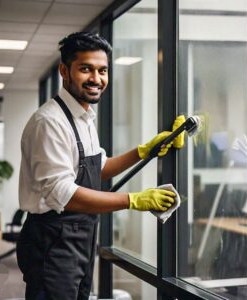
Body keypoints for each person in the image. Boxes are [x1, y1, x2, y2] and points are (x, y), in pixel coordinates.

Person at [16, 32, 185, 300]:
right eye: (86, 69)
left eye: (103, 70)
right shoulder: (49, 122)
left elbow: (98, 168)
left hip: (81, 236)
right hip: (53, 240)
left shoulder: (83, 117)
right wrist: (133, 200)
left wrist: (144, 151)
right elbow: (62, 192)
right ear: (64, 70)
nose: (96, 78)